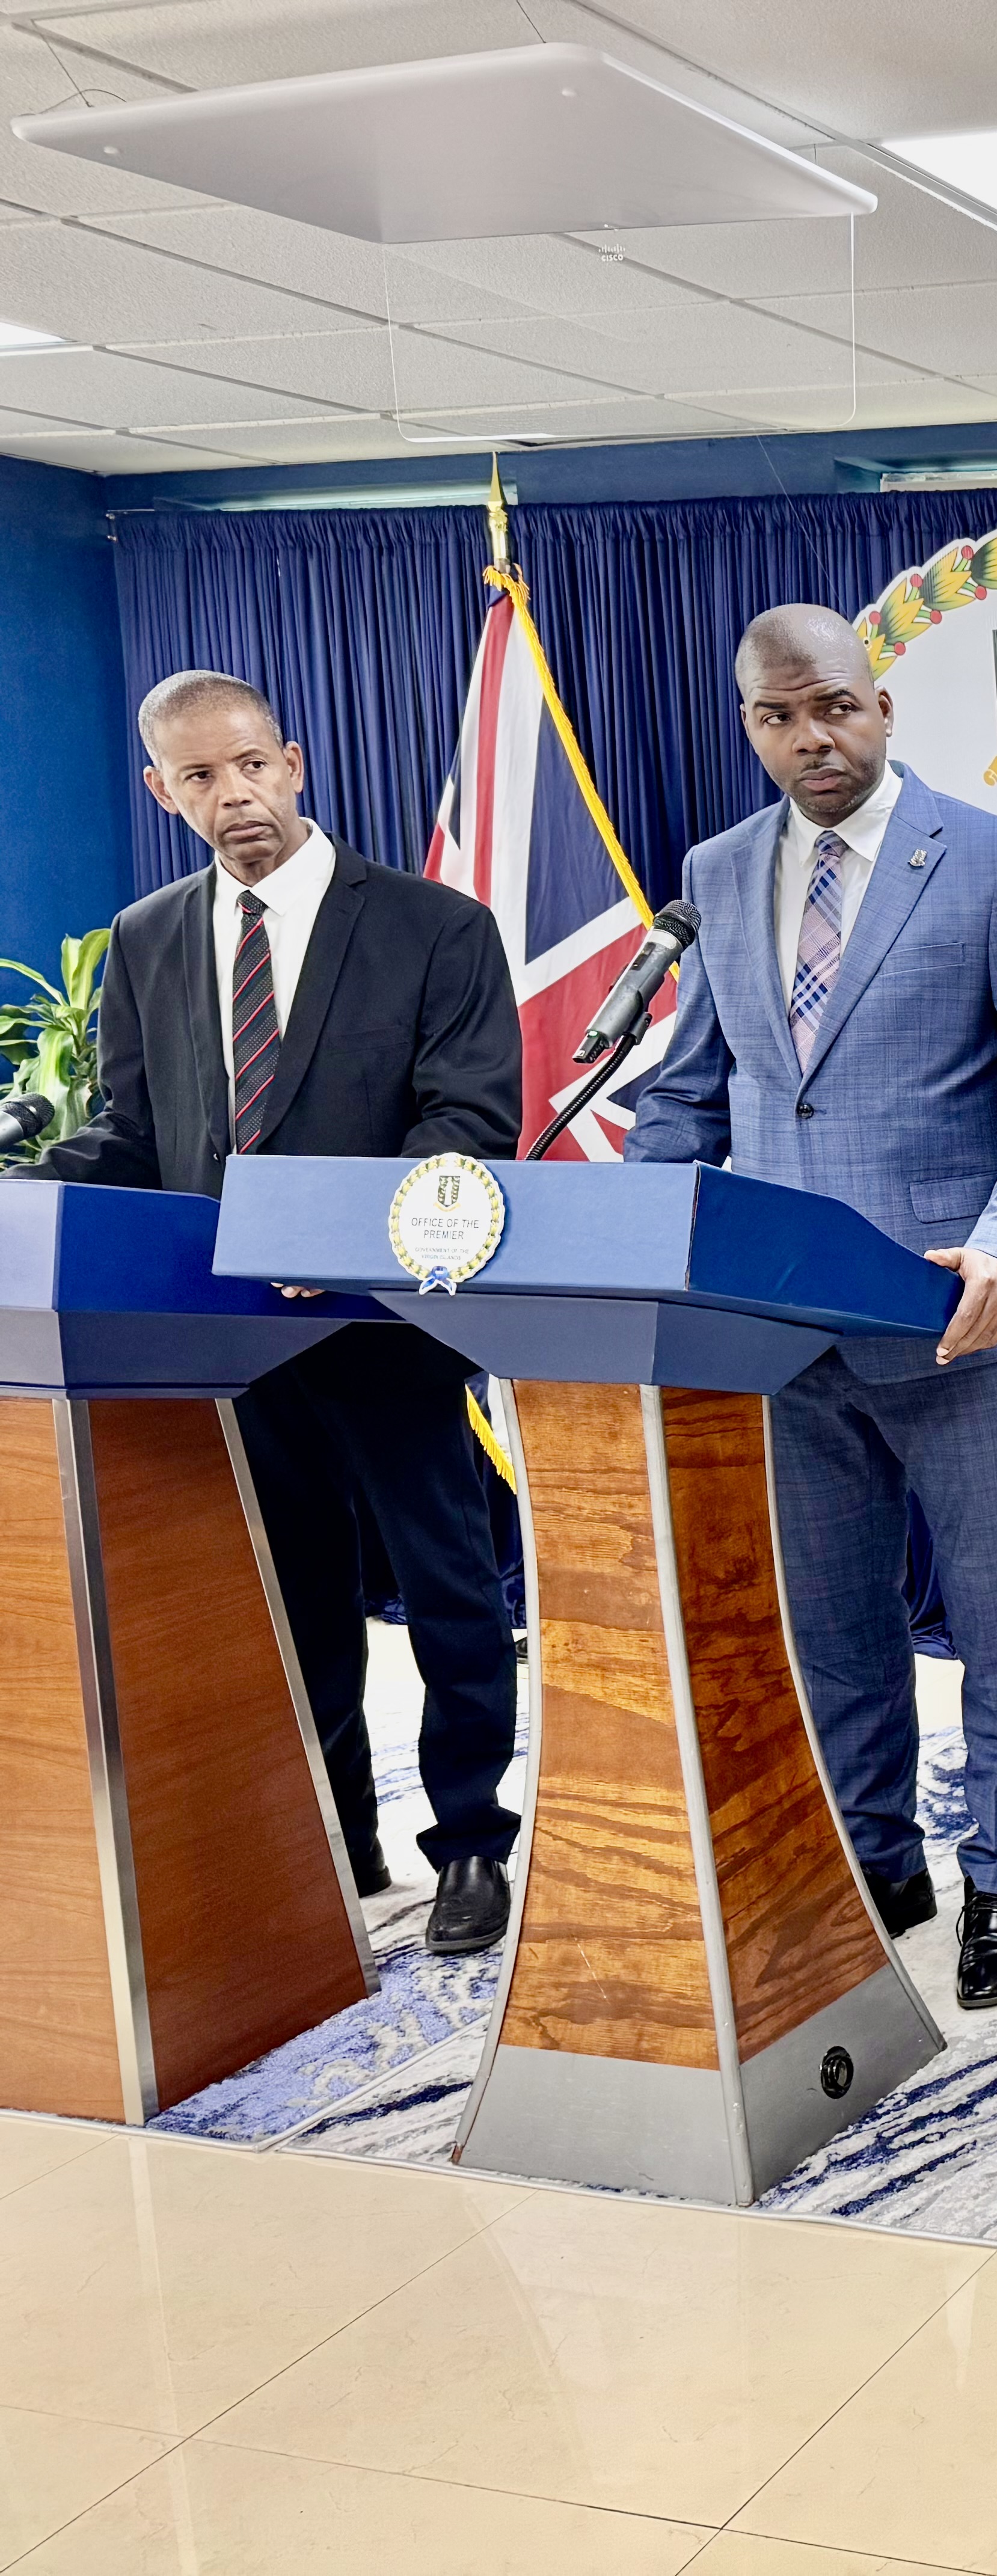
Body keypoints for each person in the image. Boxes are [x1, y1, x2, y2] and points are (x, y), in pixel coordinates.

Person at [628, 604, 997, 2011]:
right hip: (785, 1329)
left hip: (964, 1322)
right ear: (750, 727)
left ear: (882, 705)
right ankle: (876, 1860)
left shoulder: (995, 860)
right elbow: (691, 1091)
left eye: (834, 707)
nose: (813, 738)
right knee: (835, 1624)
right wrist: (638, 1228)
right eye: (780, 717)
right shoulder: (718, 873)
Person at [40, 670, 526, 1954]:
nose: (235, 795)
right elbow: (132, 1135)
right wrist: (24, 1197)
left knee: (448, 1589)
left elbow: (468, 1125)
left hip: (388, 1325)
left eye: (252, 765)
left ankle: (472, 1841)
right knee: (290, 1596)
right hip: (230, 1340)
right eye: (201, 777)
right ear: (164, 791)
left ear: (295, 763)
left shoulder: (436, 926)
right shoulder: (147, 937)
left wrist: (340, 1235)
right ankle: (335, 1838)